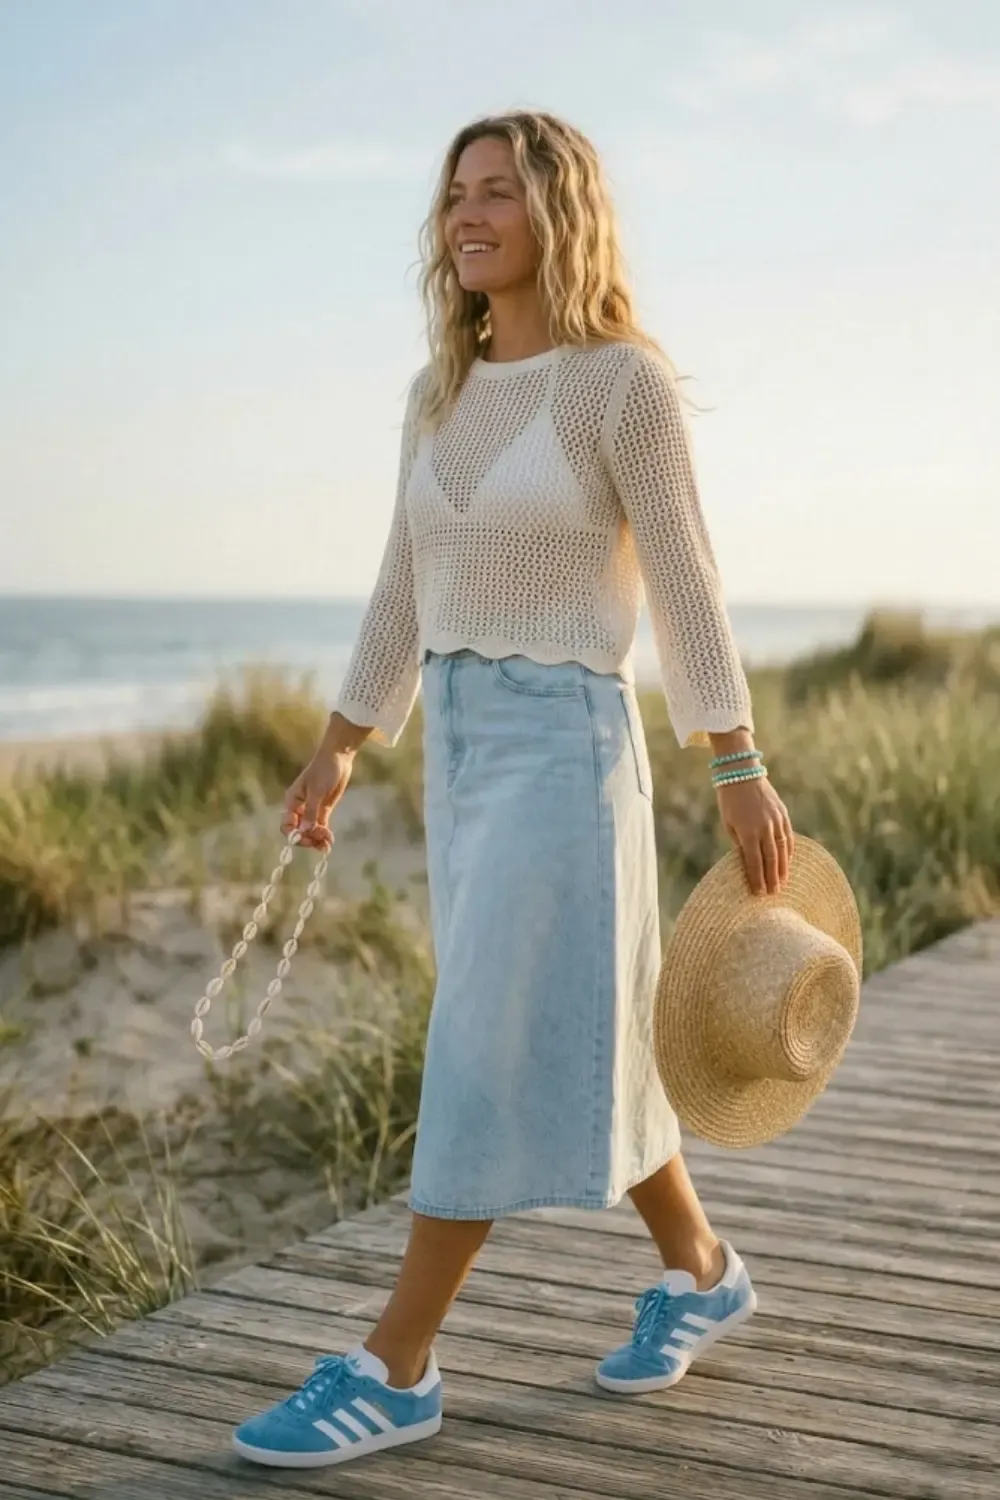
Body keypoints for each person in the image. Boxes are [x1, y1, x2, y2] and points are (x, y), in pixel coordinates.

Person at [233, 109, 795, 1470]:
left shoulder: (620, 385)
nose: (466, 214)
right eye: (454, 196)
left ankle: (397, 1365)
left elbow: (685, 578)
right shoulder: (442, 394)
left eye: (496, 191)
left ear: (559, 213)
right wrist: (342, 740)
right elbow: (403, 584)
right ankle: (705, 1270)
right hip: (465, 750)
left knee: (484, 1038)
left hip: (566, 741)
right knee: (570, 1029)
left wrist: (734, 758)